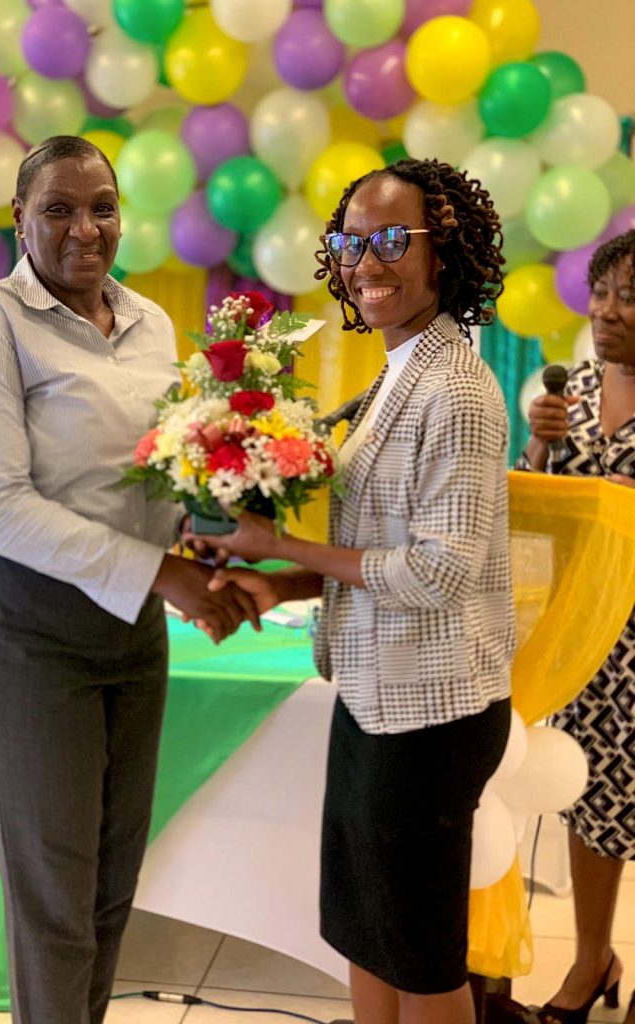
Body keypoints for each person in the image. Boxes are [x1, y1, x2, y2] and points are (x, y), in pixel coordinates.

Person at [0, 135, 258, 1024]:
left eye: (102, 206)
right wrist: (164, 573)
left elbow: (158, 472)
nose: (85, 228)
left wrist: (218, 528)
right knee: (53, 895)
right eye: (59, 209)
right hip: (27, 627)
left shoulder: (152, 323)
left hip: (131, 624)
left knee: (112, 883)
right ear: (19, 219)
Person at [189, 157, 515, 1024]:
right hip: (373, 693)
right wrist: (275, 581)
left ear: (443, 252)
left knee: (423, 957)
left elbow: (437, 570)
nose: (364, 263)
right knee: (366, 931)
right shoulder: (394, 372)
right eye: (347, 242)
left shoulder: (460, 389)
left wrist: (276, 541)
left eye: (388, 241)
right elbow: (375, 546)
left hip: (432, 714)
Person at [520, 229, 635, 1024]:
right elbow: (537, 512)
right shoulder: (575, 394)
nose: (607, 311)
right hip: (594, 640)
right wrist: (537, 444)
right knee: (594, 804)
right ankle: (591, 960)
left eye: (629, 297)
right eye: (602, 294)